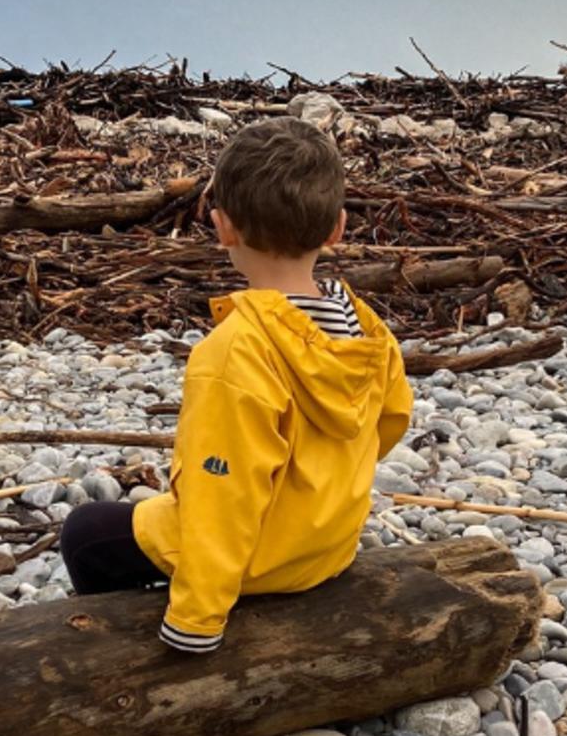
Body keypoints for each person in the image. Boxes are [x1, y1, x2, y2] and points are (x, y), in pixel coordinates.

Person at [57, 116, 412, 653]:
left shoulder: (233, 352)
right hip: (325, 549)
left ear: (223, 227)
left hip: (258, 562)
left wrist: (196, 621)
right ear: (337, 228)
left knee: (86, 532)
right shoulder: (367, 332)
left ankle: (116, 645)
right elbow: (390, 424)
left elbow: (222, 500)